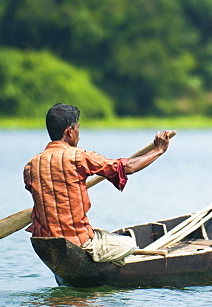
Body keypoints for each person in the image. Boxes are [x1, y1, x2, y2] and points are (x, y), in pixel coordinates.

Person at [24, 103, 173, 264]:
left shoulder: (31, 165)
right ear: (69, 132)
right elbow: (127, 167)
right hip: (78, 240)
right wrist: (158, 150)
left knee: (101, 235)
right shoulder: (78, 157)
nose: (78, 135)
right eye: (78, 129)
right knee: (129, 243)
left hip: (44, 242)